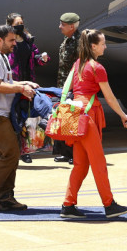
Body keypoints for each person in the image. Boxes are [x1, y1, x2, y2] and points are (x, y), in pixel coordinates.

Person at [60, 29, 127, 219]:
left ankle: (68, 205)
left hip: (75, 117)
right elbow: (109, 98)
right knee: (98, 163)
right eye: (103, 43)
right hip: (88, 118)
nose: (105, 46)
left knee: (80, 165)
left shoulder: (77, 64)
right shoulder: (97, 68)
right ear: (93, 46)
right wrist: (123, 115)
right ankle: (109, 205)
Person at [0, 25, 39, 213]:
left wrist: (23, 83)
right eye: (11, 40)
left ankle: (6, 197)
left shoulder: (2, 56)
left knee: (7, 156)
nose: (14, 44)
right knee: (11, 154)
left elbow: (6, 82)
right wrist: (20, 89)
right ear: (0, 40)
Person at [6, 13, 50, 164]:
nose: (20, 26)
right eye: (17, 23)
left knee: (26, 116)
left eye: (21, 23)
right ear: (10, 25)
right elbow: (7, 62)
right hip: (14, 83)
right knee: (14, 116)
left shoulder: (28, 39)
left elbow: (35, 57)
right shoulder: (6, 41)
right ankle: (13, 149)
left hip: (29, 83)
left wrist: (42, 58)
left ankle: (26, 150)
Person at [54, 12, 81, 164]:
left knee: (72, 121)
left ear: (72, 26)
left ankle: (74, 153)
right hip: (62, 85)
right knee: (63, 119)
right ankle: (65, 152)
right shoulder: (67, 39)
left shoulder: (79, 42)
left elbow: (79, 66)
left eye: (63, 25)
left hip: (72, 87)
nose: (60, 27)